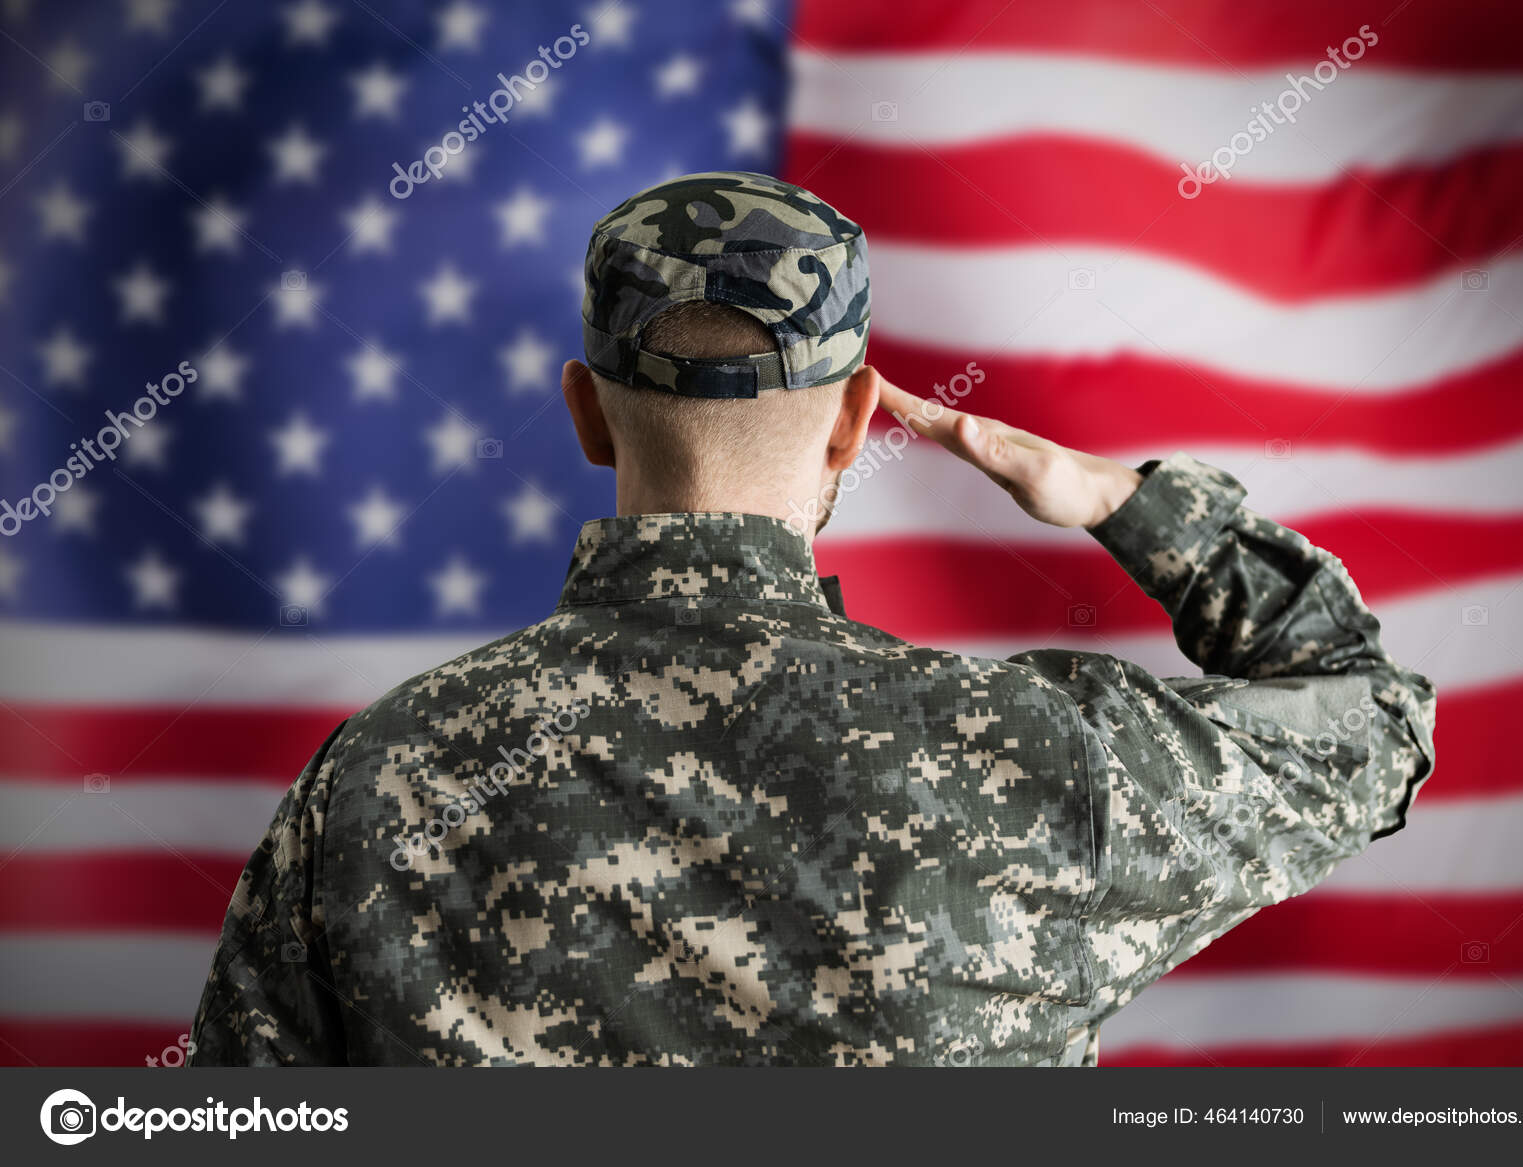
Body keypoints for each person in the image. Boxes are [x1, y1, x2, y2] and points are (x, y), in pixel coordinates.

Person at [188, 172, 1435, 1066]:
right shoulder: (1046, 756)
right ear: (853, 421)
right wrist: (1130, 506)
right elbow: (1369, 710)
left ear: (583, 409)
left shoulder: (381, 774)